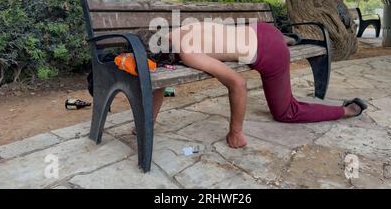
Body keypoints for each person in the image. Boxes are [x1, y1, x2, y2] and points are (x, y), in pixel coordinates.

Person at [139, 21, 367, 149]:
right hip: (261, 29)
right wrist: (147, 123)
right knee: (267, 40)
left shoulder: (187, 52)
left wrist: (235, 132)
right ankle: (285, 38)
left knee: (286, 112)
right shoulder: (174, 32)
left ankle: (347, 110)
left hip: (270, 52)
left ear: (161, 58)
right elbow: (158, 86)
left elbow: (238, 84)